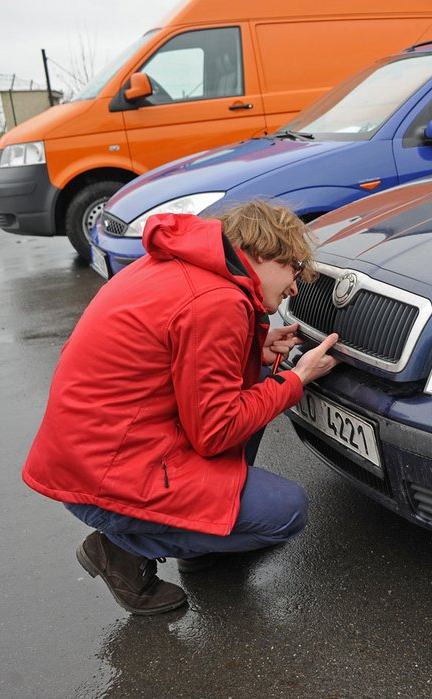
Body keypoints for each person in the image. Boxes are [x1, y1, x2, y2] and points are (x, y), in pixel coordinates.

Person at [22, 199, 339, 615]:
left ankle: (199, 541)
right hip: (106, 481)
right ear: (262, 254)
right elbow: (217, 432)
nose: (296, 286)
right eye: (295, 269)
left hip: (93, 456)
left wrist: (254, 348)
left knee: (259, 382)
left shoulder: (182, 267)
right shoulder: (216, 300)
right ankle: (118, 549)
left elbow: (172, 356)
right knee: (286, 512)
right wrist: (295, 380)